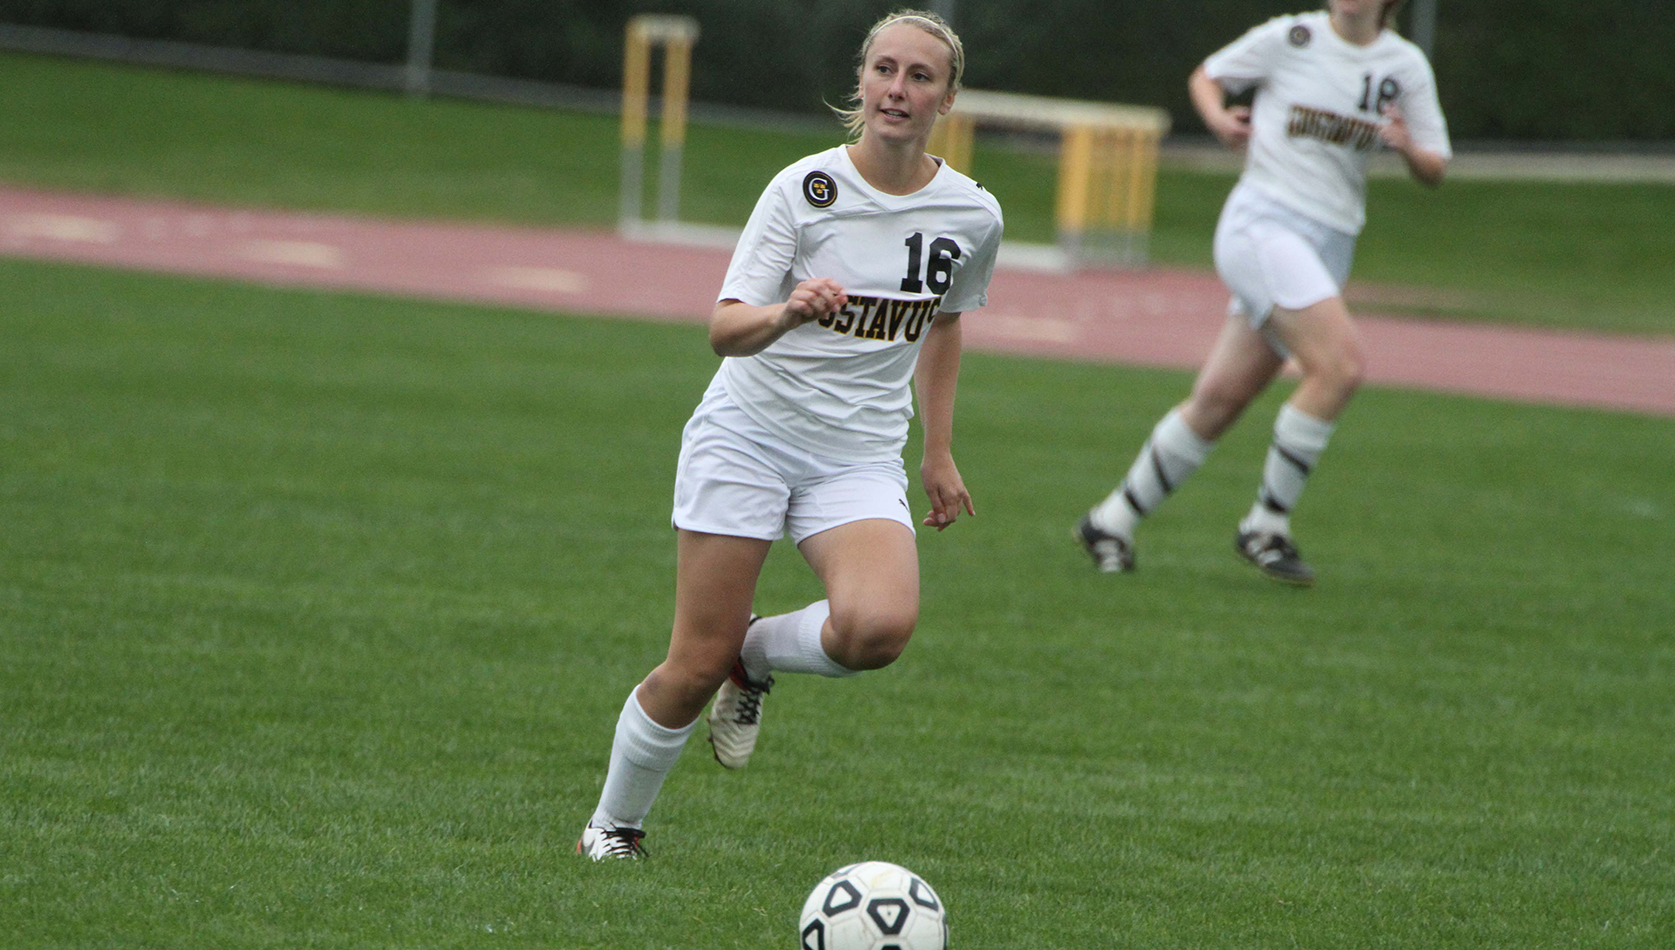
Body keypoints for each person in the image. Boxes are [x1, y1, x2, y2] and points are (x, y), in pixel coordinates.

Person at [578, 9, 1003, 860]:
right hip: (748, 436)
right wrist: (786, 311)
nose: (897, 89)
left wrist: (938, 451)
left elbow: (945, 327)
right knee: (692, 664)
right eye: (884, 69)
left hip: (854, 456)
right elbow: (724, 328)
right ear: (861, 80)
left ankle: (757, 651)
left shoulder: (973, 214)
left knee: (877, 629)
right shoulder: (802, 190)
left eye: (920, 77)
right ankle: (612, 826)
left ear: (946, 98)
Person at [1076, 0, 1449, 585]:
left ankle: (1110, 520)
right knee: (1339, 368)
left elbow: (1437, 165)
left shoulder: (1404, 64)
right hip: (1263, 224)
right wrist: (1220, 118)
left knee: (1221, 398)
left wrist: (1407, 147)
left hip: (1331, 240)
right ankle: (1266, 525)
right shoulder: (1292, 36)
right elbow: (1207, 76)